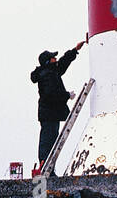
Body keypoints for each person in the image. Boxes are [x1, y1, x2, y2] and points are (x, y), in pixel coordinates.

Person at [31, 38, 86, 170]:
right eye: (53, 58)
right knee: (48, 142)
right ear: (48, 61)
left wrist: (75, 50)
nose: (56, 60)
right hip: (49, 113)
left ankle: (48, 169)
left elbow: (63, 62)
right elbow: (51, 95)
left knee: (50, 141)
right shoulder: (48, 75)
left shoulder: (50, 72)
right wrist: (67, 95)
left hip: (50, 113)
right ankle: (45, 168)